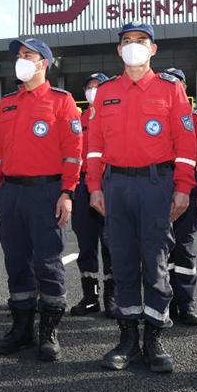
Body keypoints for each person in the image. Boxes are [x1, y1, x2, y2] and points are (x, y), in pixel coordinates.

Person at [87, 22, 196, 373]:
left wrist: (183, 186)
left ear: (153, 49)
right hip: (116, 184)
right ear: (119, 50)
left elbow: (185, 142)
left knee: (155, 261)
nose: (134, 46)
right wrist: (94, 186)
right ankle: (128, 338)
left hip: (156, 184)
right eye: (127, 41)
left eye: (141, 41)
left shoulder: (170, 88)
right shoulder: (106, 92)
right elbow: (94, 147)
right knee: (122, 261)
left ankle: (154, 336)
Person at [0, 38, 82, 362]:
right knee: (16, 261)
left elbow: (73, 153)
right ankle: (21, 328)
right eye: (19, 55)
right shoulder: (7, 103)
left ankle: (49, 331)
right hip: (11, 192)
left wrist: (67, 192)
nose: (21, 60)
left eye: (29, 55)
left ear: (44, 64)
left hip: (46, 191)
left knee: (48, 262)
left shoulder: (62, 101)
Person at [160, 68, 197, 327]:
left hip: (189, 190)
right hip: (161, 190)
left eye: (178, 82)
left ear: (184, 88)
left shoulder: (196, 119)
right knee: (160, 248)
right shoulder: (158, 116)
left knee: (184, 247)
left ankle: (186, 303)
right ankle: (164, 301)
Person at [69, 73, 114, 319]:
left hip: (108, 185)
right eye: (88, 87)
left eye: (97, 87)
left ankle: (112, 296)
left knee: (111, 243)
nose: (92, 91)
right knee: (86, 244)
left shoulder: (114, 116)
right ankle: (90, 297)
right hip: (83, 186)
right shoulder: (78, 119)